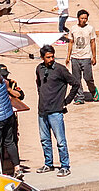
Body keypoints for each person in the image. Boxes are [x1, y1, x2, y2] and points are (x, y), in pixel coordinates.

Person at [35, 42, 76, 177]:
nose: (51, 59)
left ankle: (65, 165)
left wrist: (66, 101)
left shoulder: (60, 69)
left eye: (52, 56)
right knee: (45, 140)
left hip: (56, 111)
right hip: (42, 110)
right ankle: (48, 163)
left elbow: (75, 84)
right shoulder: (39, 69)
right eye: (48, 57)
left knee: (60, 141)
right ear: (43, 58)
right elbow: (39, 84)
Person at [65, 9, 97, 103]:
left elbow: (93, 42)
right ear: (78, 18)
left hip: (86, 57)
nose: (83, 20)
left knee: (88, 77)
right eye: (82, 18)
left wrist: (94, 56)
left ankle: (93, 91)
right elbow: (71, 42)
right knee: (76, 78)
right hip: (75, 57)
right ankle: (80, 97)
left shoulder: (90, 29)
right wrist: (68, 56)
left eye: (85, 18)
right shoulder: (73, 29)